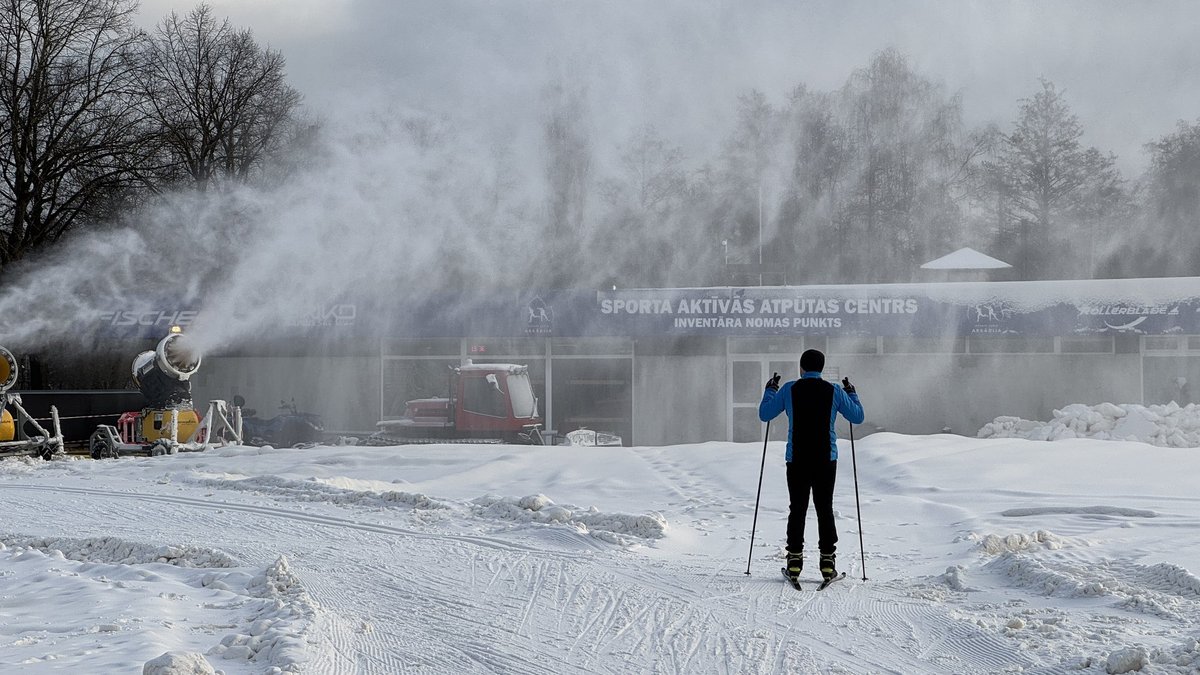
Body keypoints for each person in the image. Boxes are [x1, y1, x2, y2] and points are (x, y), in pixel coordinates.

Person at [758, 349, 864, 583]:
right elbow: (857, 417)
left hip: (797, 459)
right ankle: (828, 565)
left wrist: (769, 390)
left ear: (801, 368)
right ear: (822, 368)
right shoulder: (834, 390)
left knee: (797, 508)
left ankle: (794, 564)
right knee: (824, 508)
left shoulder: (789, 389)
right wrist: (853, 394)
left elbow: (765, 414)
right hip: (826, 459)